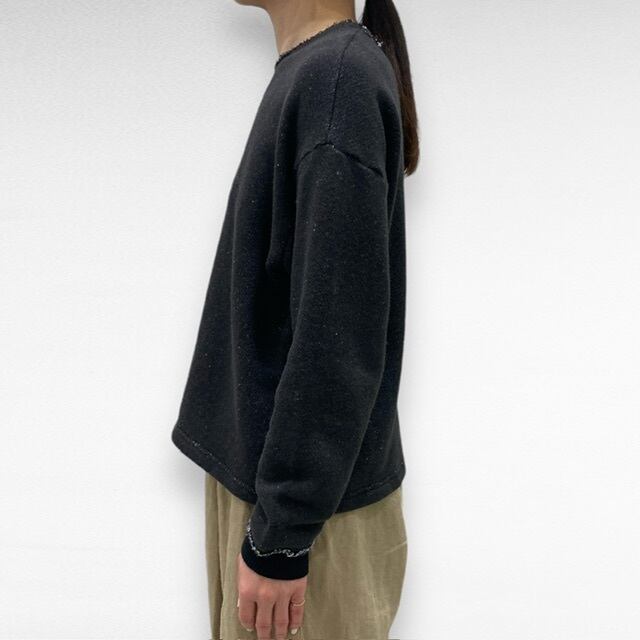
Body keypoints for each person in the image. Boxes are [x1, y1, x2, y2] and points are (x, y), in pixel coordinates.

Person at [171, 0, 420, 637]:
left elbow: (338, 337)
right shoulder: (318, 72)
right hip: (278, 494)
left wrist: (282, 536)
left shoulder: (335, 80)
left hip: (306, 518)